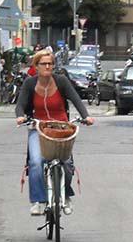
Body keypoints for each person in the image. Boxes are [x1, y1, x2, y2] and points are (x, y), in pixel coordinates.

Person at [14, 47, 94, 216]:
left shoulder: (61, 81)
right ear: (36, 66)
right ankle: (38, 201)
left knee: (67, 164)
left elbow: (76, 100)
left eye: (50, 63)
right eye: (44, 64)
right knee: (36, 162)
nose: (48, 67)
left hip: (62, 128)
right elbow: (20, 104)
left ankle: (65, 196)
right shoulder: (30, 83)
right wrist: (20, 116)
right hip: (39, 127)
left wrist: (86, 116)